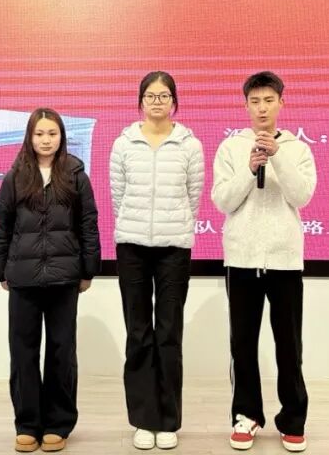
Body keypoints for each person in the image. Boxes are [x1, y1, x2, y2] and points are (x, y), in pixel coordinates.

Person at [210, 71, 317, 453]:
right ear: (246, 106)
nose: (261, 108)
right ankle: (246, 415)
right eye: (255, 101)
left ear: (281, 103)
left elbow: (301, 196)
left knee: (289, 345)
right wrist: (250, 168)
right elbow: (223, 201)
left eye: (269, 100)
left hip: (285, 261)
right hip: (241, 259)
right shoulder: (231, 148)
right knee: (242, 344)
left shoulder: (297, 149)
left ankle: (293, 419)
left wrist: (277, 157)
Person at [0, 108, 101, 453]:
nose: (46, 140)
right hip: (23, 280)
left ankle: (58, 424)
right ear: (30, 137)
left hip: (65, 279)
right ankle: (27, 424)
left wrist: (88, 269)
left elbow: (88, 224)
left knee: (61, 352)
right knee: (23, 353)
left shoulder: (76, 175)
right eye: (39, 134)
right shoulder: (15, 176)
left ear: (61, 137)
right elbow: (1, 225)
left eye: (52, 133)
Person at [108, 71, 204, 450]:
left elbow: (193, 195)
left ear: (174, 102)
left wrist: (174, 228)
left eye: (164, 96)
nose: (157, 102)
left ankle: (168, 420)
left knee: (168, 333)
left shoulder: (189, 145)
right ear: (141, 101)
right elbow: (118, 195)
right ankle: (143, 419)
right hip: (131, 247)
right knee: (138, 333)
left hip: (173, 248)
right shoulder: (124, 143)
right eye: (151, 96)